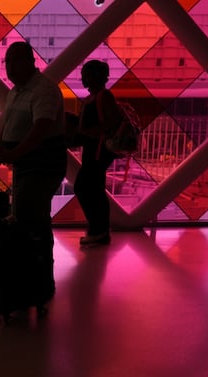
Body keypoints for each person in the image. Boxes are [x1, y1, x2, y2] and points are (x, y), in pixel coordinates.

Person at [0, 41, 67, 296]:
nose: (11, 67)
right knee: (26, 215)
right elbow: (8, 127)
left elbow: (42, 128)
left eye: (16, 61)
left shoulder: (44, 90)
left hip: (43, 165)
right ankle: (26, 276)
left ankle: (42, 282)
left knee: (32, 216)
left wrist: (15, 153)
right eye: (8, 62)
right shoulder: (15, 92)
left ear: (31, 61)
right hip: (24, 164)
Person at [74, 59, 122, 247]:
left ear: (95, 76)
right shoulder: (92, 98)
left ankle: (98, 229)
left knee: (86, 188)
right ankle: (99, 230)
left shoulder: (103, 96)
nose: (82, 78)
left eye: (85, 73)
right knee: (92, 189)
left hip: (98, 150)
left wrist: (89, 132)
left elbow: (112, 121)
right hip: (93, 150)